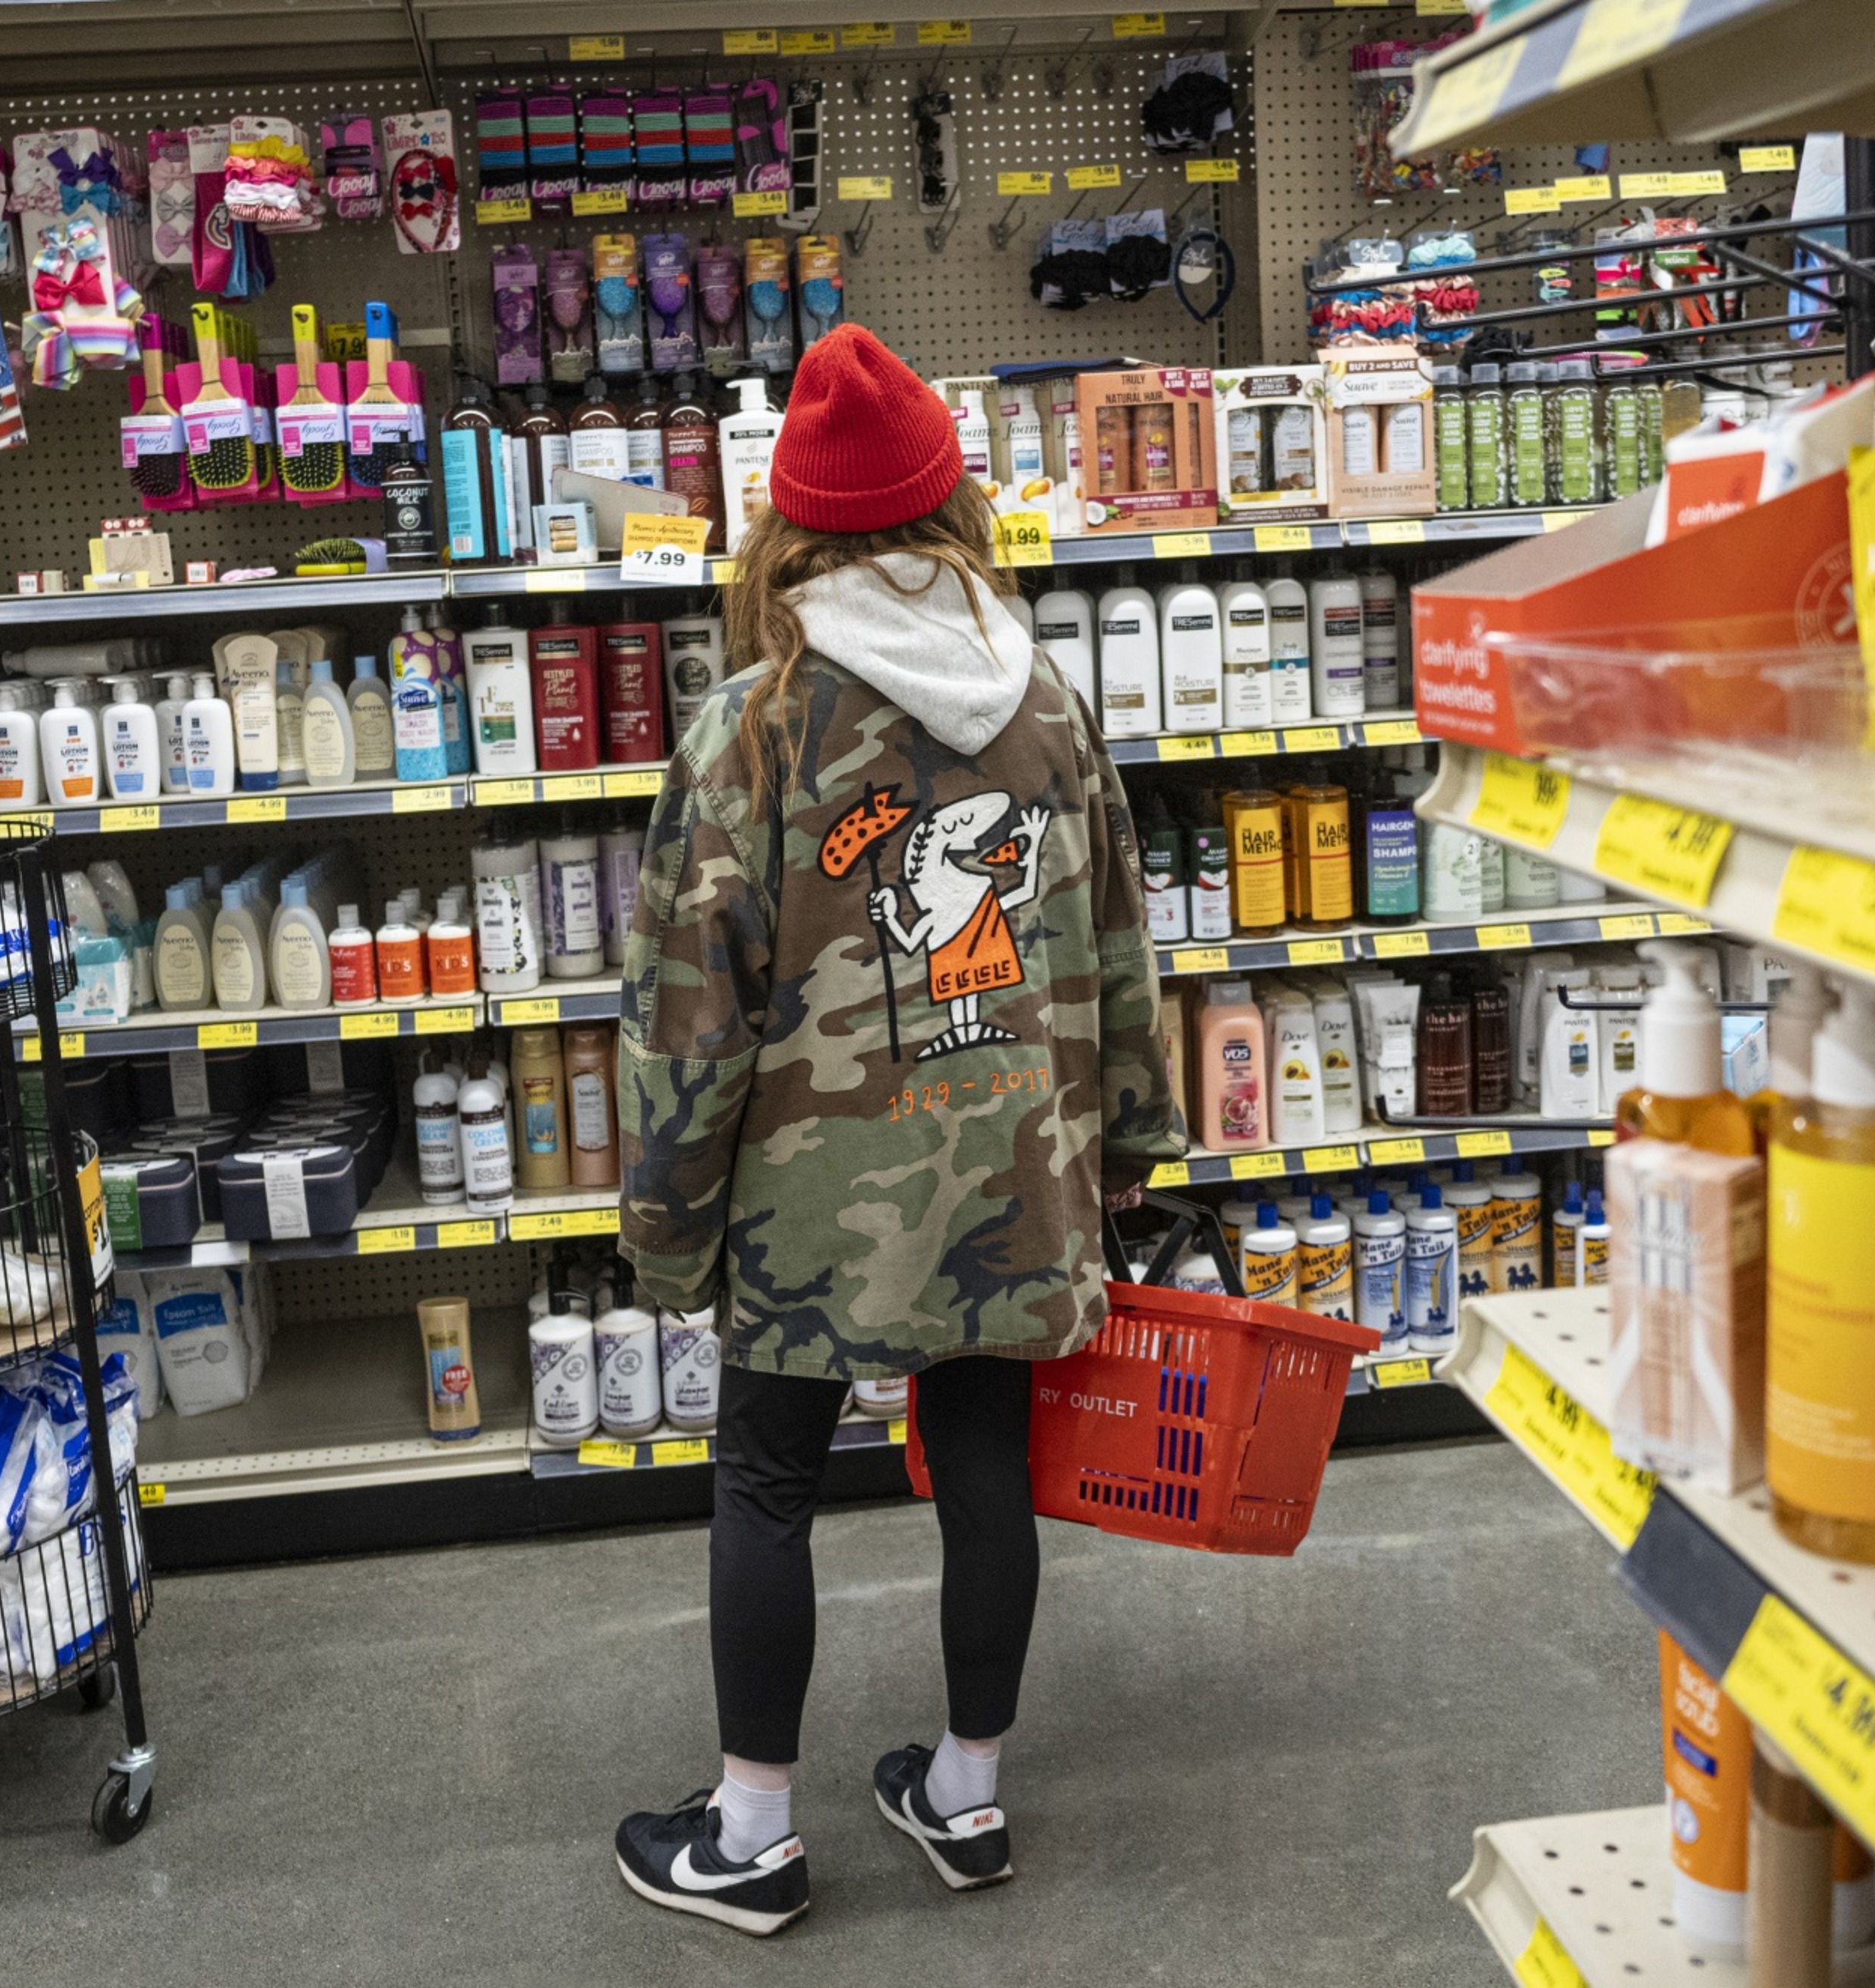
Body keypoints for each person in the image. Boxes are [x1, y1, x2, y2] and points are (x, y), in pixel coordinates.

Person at [610, 324, 1183, 1936]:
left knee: (766, 1474)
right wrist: (1127, 1151)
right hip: (1007, 1164)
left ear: (784, 528)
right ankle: (965, 1789)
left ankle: (750, 1834)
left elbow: (689, 1009)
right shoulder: (1045, 702)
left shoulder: (752, 721)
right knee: (984, 1449)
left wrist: (662, 1224)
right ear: (951, 511)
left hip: (811, 1191)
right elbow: (1120, 951)